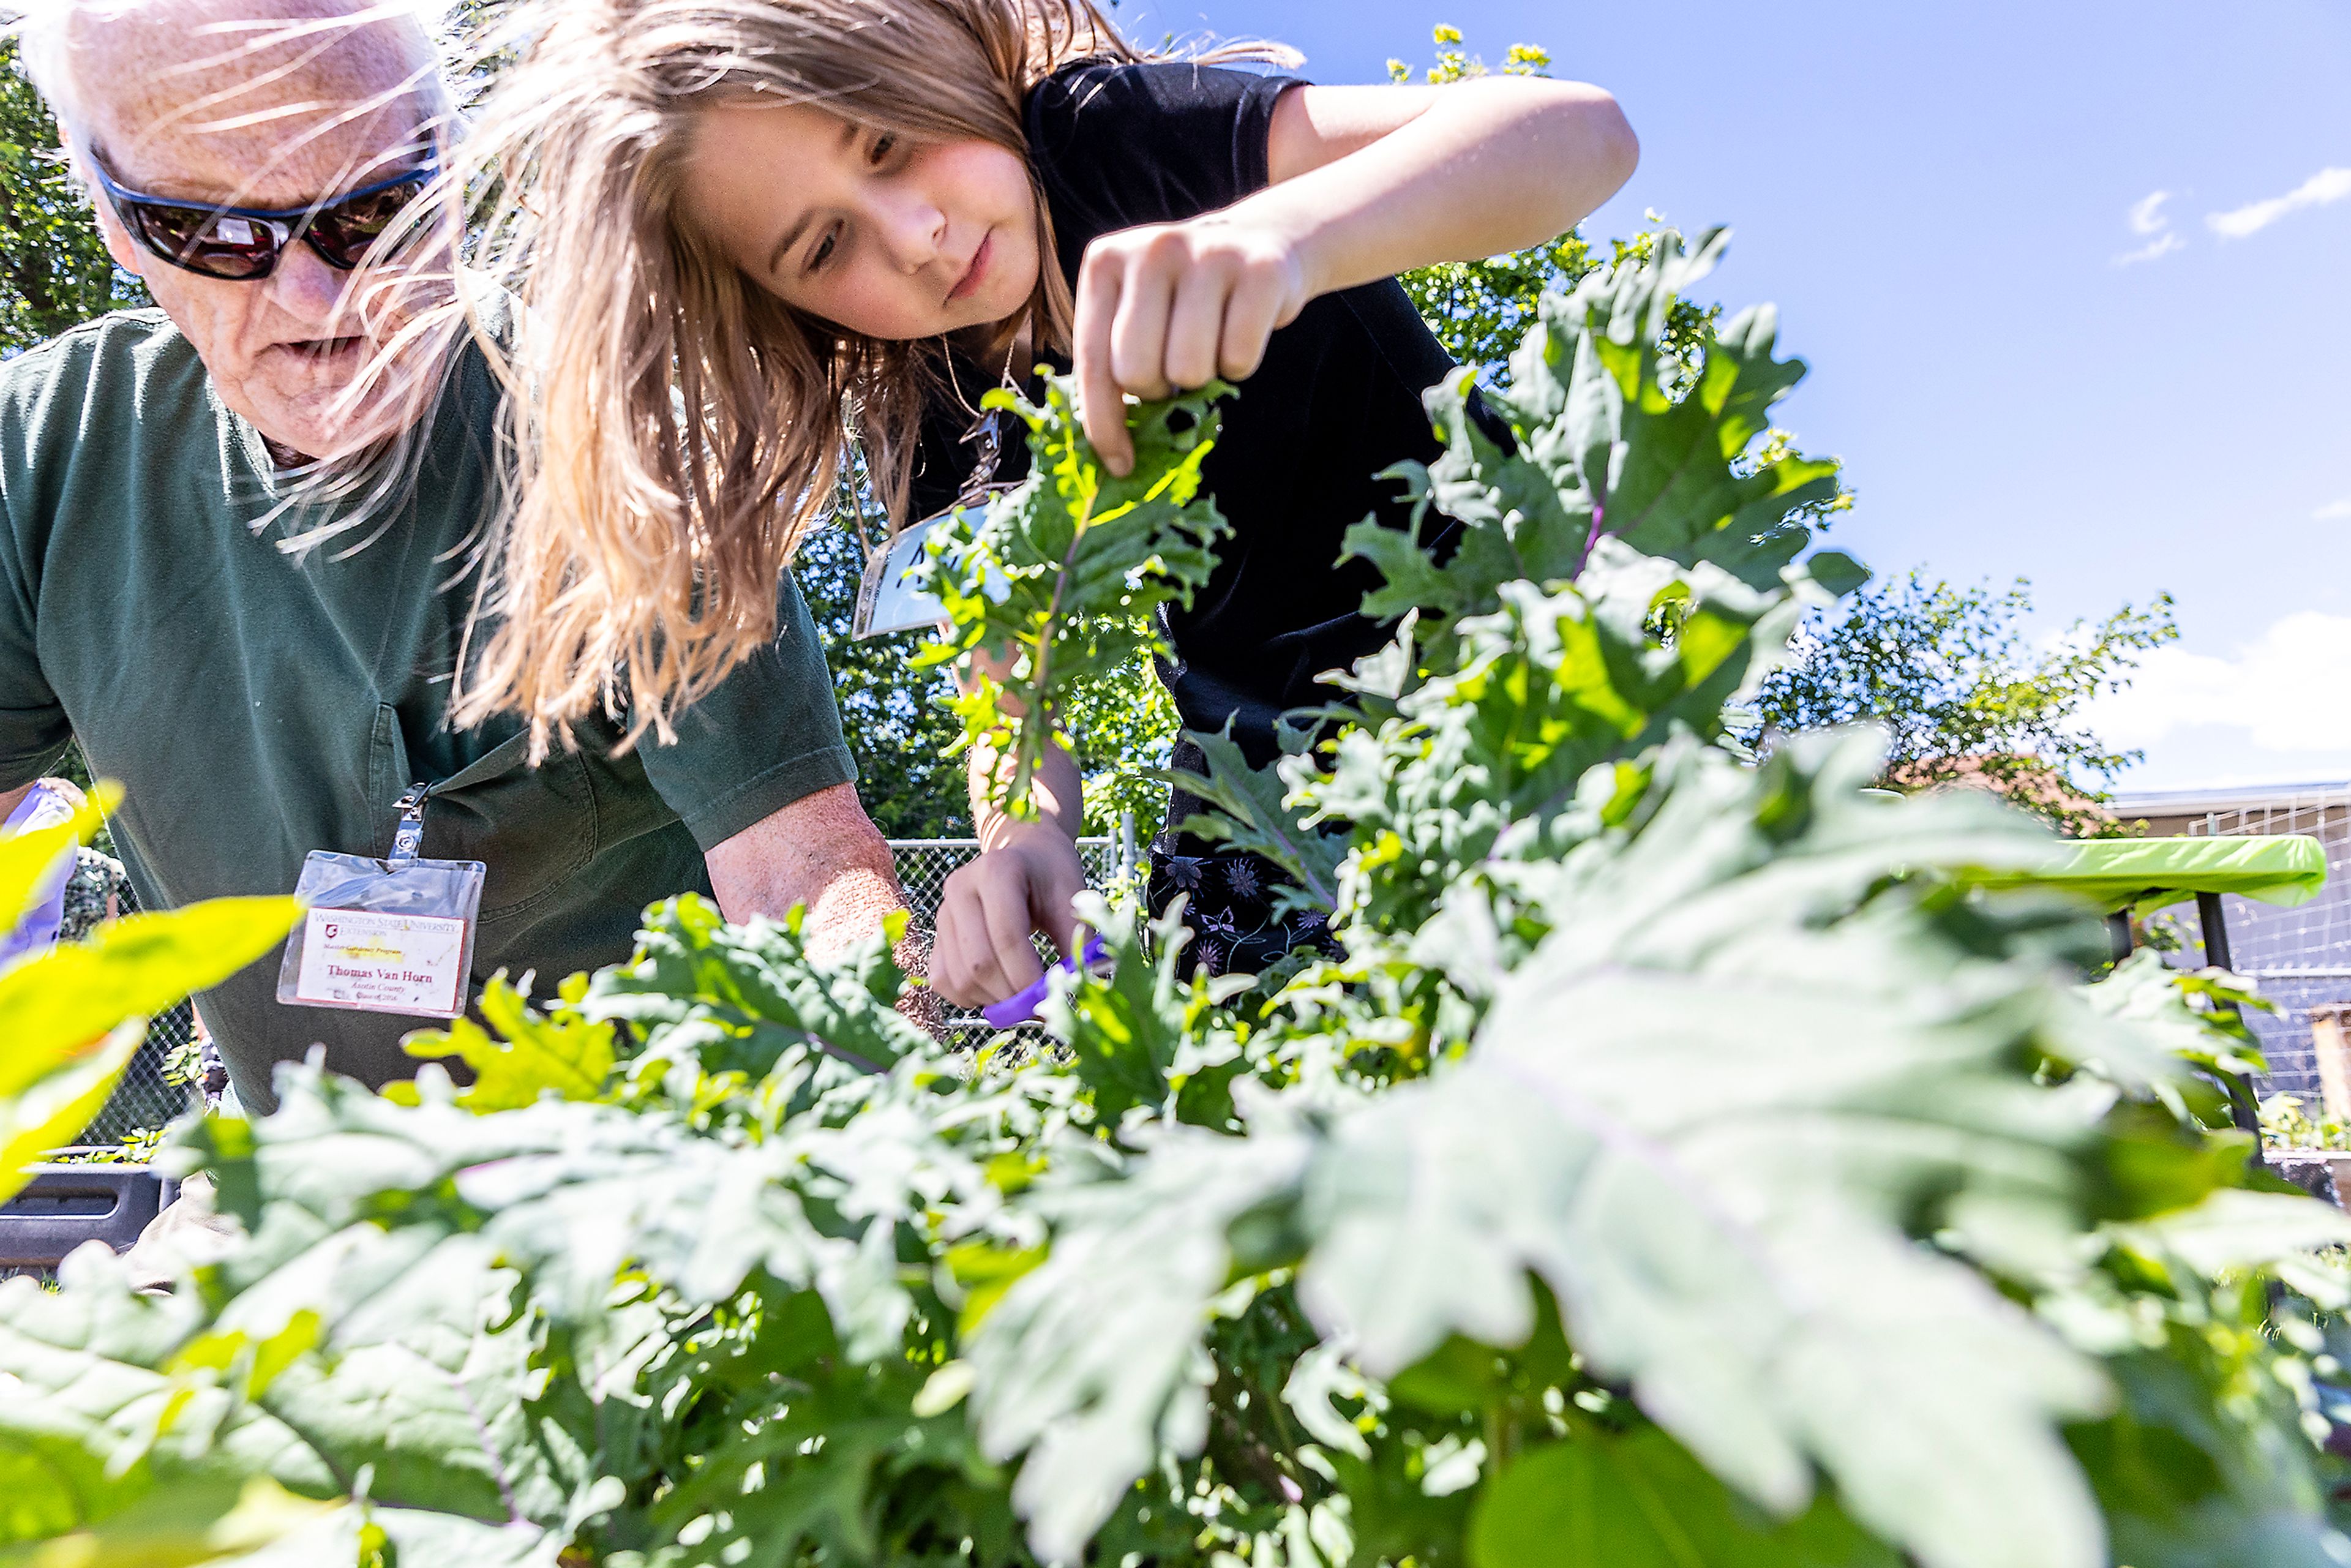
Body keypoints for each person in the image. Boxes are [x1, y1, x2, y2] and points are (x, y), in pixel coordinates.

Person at [432, 0, 1638, 1006]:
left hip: (1529, 698)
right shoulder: (919, 382)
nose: (916, 237)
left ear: (936, 51)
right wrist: (1023, 842)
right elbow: (1011, 661)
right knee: (1189, 1129)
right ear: (782, 308)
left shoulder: (1118, 146)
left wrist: (1285, 239)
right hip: (1263, 798)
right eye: (822, 249)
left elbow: (1577, 133)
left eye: (889, 143)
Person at [0, 0, 914, 1116]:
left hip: (644, 1183)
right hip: (317, 1190)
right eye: (219, 233)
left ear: (455, 162)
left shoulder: (621, 439)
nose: (317, 299)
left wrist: (908, 1177)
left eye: (375, 213)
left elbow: (804, 877)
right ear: (107, 212)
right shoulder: (43, 462)